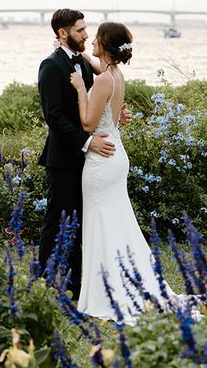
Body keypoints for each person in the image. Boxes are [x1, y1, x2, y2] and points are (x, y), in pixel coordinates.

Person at [71, 21, 175, 320]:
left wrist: (80, 89)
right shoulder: (116, 74)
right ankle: (124, 281)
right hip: (116, 154)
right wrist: (76, 57)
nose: (91, 40)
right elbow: (92, 62)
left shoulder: (103, 80)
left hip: (102, 158)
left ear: (105, 43)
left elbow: (88, 124)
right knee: (116, 221)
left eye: (96, 38)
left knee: (102, 222)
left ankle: (106, 291)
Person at [37, 9, 130, 298]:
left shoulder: (88, 65)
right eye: (80, 30)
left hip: (93, 161)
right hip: (65, 159)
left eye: (87, 29)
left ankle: (78, 284)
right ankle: (44, 280)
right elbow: (54, 116)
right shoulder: (50, 66)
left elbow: (99, 100)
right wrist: (87, 142)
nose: (86, 34)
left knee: (84, 223)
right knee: (57, 220)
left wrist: (117, 112)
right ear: (63, 33)